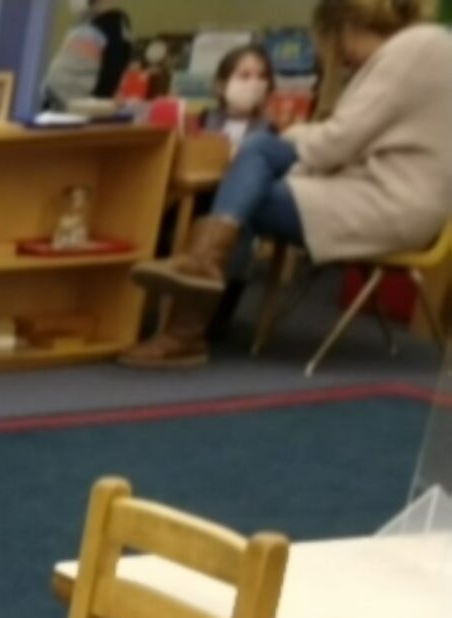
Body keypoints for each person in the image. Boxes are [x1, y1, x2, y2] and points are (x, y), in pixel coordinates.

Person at [128, 0, 452, 368]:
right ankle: (198, 303)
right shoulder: (425, 46)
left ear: (343, 29)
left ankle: (189, 315)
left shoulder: (412, 50)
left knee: (251, 173)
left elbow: (336, 145)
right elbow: (346, 145)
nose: (342, 59)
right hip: (380, 194)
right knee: (251, 176)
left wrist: (294, 136)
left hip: (387, 204)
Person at [40, 6, 137, 111]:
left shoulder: (109, 27)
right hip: (60, 106)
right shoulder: (85, 26)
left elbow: (112, 74)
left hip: (78, 109)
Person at [209, 40, 278, 145]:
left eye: (262, 76)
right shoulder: (204, 122)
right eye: (245, 76)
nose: (254, 83)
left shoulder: (269, 130)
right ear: (222, 85)